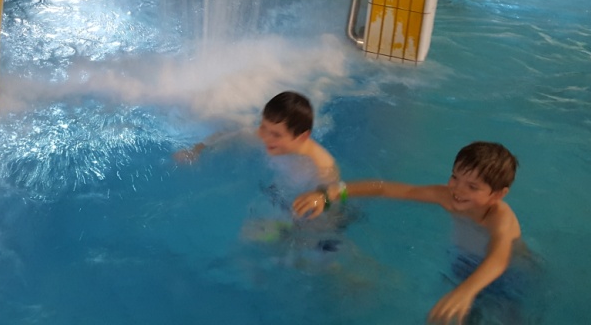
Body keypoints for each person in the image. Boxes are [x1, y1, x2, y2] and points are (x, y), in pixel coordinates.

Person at [292, 141, 524, 324]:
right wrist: (331, 193)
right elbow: (385, 189)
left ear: (498, 194)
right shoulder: (447, 197)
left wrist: (467, 290)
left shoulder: (500, 218)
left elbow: (499, 257)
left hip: (505, 277)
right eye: (455, 177)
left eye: (472, 187)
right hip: (463, 267)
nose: (458, 189)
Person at [174, 91, 339, 185]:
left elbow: (330, 204)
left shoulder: (322, 167)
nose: (265, 137)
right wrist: (196, 150)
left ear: (302, 137)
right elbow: (228, 135)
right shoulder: (266, 137)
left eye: (276, 135)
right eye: (263, 127)